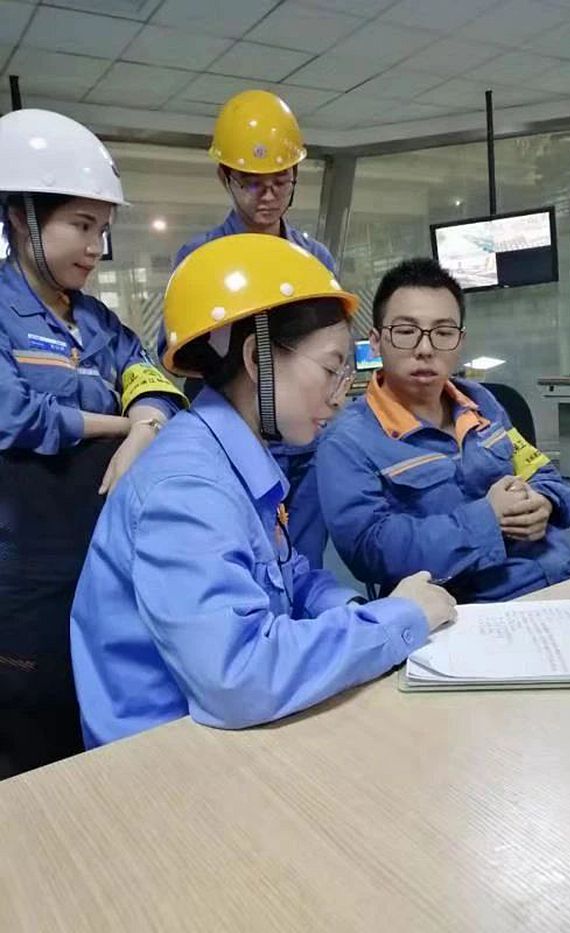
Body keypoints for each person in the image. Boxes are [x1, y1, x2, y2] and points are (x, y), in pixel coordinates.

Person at [71, 235, 455, 748]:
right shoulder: (189, 488)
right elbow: (237, 676)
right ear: (258, 359)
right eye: (330, 369)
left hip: (223, 735)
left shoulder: (233, 457)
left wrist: (353, 611)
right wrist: (397, 618)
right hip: (162, 758)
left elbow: (290, 578)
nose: (338, 398)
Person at [0, 108, 186, 778]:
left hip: (103, 557)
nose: (94, 247)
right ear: (20, 217)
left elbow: (149, 373)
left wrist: (152, 419)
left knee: (105, 717)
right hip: (25, 574)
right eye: (81, 225)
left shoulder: (96, 319)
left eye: (101, 230)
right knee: (34, 737)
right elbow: (16, 416)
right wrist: (123, 426)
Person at [317, 258, 570, 603]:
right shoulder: (347, 441)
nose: (425, 349)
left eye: (443, 333)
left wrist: (545, 500)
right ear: (375, 342)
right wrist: (487, 519)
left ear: (460, 341)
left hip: (568, 575)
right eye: (406, 332)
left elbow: (540, 471)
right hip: (474, 608)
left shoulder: (482, 403)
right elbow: (368, 550)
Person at [167, 88, 336, 570]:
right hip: (236, 440)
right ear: (225, 176)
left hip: (304, 443)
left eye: (280, 182)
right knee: (244, 560)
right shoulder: (201, 261)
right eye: (252, 184)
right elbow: (182, 357)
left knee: (303, 566)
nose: (268, 196)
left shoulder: (314, 260)